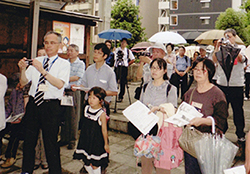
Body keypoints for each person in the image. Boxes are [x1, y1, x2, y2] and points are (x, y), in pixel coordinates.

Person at [18, 31, 70, 174]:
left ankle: (55, 171)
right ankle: (26, 171)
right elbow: (23, 82)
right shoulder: (37, 60)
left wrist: (42, 71)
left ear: (59, 45)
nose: (48, 46)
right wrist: (22, 69)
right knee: (29, 141)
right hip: (34, 104)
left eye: (52, 43)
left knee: (51, 143)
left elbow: (60, 84)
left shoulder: (63, 64)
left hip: (51, 105)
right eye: (46, 42)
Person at [183, 58, 228, 174]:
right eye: (195, 69)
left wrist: (203, 121)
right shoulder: (189, 93)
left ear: (210, 71)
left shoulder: (217, 94)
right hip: (191, 143)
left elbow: (222, 121)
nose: (197, 72)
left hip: (208, 144)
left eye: (202, 70)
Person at [139, 58, 178, 174]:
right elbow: (140, 105)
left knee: (163, 167)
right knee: (146, 166)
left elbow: (173, 110)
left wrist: (159, 108)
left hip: (163, 132)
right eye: (153, 67)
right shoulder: (145, 87)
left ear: (165, 70)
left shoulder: (170, 89)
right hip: (147, 131)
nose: (155, 71)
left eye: (158, 68)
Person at [213, 28, 246, 158]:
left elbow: (242, 59)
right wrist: (217, 47)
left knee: (238, 110)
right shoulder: (221, 50)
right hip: (222, 84)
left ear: (235, 37)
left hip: (236, 85)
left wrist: (232, 47)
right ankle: (221, 131)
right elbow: (214, 61)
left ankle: (240, 134)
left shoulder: (241, 48)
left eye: (230, 36)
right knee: (221, 110)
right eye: (226, 36)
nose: (228, 39)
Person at [73, 87, 110, 174]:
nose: (91, 100)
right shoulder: (86, 109)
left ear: (100, 100)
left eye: (94, 98)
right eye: (89, 97)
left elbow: (104, 130)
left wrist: (106, 144)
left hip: (96, 142)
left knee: (95, 163)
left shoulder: (101, 114)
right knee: (86, 162)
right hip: (86, 140)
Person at [72, 43, 118, 113]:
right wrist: (77, 87)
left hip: (102, 105)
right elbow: (84, 85)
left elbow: (114, 91)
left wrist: (99, 93)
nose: (95, 55)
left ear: (105, 56)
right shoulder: (89, 69)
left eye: (99, 53)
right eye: (95, 52)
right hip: (88, 103)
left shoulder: (109, 72)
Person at [58, 44, 85, 150]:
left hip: (74, 91)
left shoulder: (80, 64)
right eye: (68, 50)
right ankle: (64, 138)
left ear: (77, 52)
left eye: (72, 50)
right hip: (63, 91)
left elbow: (77, 77)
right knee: (64, 116)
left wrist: (63, 79)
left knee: (73, 116)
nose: (69, 52)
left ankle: (72, 140)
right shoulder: (64, 63)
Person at [34, 47, 48, 170]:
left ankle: (44, 159)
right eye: (38, 54)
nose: (40, 57)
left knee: (45, 135)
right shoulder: (32, 69)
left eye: (43, 54)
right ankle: (36, 159)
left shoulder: (50, 69)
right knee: (35, 134)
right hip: (35, 105)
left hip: (47, 105)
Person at [114, 38, 135, 102]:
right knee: (114, 80)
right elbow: (114, 58)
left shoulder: (128, 51)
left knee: (123, 82)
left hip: (124, 67)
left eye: (124, 42)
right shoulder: (117, 50)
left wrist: (127, 64)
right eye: (122, 42)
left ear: (126, 44)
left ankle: (121, 96)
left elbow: (133, 59)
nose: (123, 44)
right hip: (117, 66)